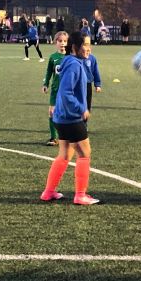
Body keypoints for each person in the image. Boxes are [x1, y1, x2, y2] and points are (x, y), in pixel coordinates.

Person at [40, 31, 99, 205]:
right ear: (75, 47)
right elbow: (66, 92)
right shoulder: (74, 65)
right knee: (85, 154)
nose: (88, 49)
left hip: (61, 117)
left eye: (89, 45)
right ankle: (80, 195)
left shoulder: (69, 61)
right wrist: (81, 108)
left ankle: (48, 192)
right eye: (85, 45)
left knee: (64, 154)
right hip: (71, 118)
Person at [42, 31, 68, 146]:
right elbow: (49, 72)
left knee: (66, 114)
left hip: (67, 91)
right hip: (55, 90)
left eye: (65, 41)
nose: (62, 43)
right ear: (55, 42)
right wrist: (45, 84)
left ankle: (68, 136)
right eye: (60, 41)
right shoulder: (53, 57)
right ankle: (53, 138)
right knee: (52, 112)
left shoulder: (70, 57)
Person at [82, 35, 102, 119]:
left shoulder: (92, 58)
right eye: (85, 44)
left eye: (89, 44)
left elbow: (95, 72)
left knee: (87, 106)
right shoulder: (75, 58)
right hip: (77, 85)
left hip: (88, 85)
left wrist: (97, 84)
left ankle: (84, 123)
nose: (88, 47)